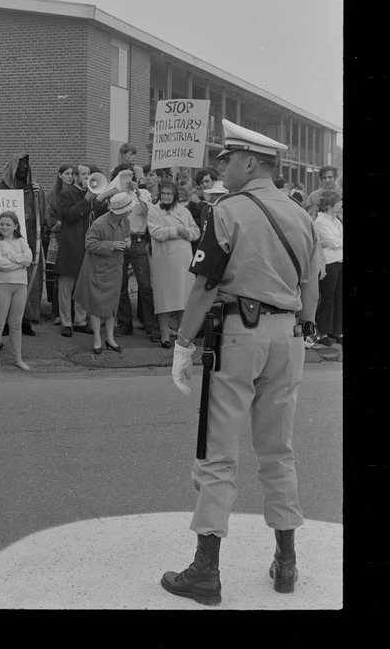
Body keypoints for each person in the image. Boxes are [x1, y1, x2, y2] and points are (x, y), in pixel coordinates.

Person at [162, 119, 320, 606]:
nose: (222, 168)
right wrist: (302, 326)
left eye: (227, 160)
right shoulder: (301, 214)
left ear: (250, 162)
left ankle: (206, 571)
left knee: (218, 452)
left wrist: (184, 343)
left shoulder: (227, 210)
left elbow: (205, 285)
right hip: (289, 337)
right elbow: (309, 291)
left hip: (240, 335)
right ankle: (286, 563)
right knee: (279, 450)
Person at [74, 192, 135, 353]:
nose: (130, 212)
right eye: (128, 209)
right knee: (96, 306)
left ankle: (110, 338)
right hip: (97, 270)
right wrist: (112, 245)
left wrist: (128, 242)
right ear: (119, 211)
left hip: (114, 268)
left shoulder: (125, 221)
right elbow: (89, 244)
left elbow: (127, 237)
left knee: (111, 306)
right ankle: (97, 339)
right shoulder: (99, 223)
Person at [0, 153, 46, 335]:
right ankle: (5, 322)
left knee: (29, 280)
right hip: (6, 242)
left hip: (29, 240)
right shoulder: (2, 187)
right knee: (7, 280)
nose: (23, 169)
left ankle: (25, 320)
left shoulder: (35, 190)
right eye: (20, 166)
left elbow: (43, 216)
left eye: (26, 165)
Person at [147, 180, 201, 347]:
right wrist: (177, 230)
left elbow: (196, 231)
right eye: (163, 194)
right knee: (165, 298)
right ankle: (164, 333)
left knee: (183, 297)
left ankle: (181, 334)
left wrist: (185, 233)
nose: (166, 197)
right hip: (164, 260)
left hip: (184, 260)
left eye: (169, 194)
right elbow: (156, 232)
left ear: (175, 195)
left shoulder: (184, 211)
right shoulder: (154, 211)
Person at [111, 163, 157, 341]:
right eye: (123, 176)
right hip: (121, 240)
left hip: (138, 240)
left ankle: (151, 325)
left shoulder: (143, 193)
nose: (127, 179)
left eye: (130, 175)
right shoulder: (114, 194)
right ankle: (125, 325)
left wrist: (137, 192)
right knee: (121, 286)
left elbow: (150, 212)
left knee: (145, 286)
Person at [53, 163, 97, 337]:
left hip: (87, 244)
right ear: (76, 177)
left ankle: (80, 320)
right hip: (71, 244)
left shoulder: (93, 194)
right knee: (66, 286)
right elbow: (69, 216)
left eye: (89, 173)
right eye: (83, 174)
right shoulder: (67, 193)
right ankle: (66, 322)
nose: (87, 177)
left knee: (83, 284)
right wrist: (86, 200)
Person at [0, 211, 33, 372]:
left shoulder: (21, 240)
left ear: (15, 226)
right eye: (2, 224)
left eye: (8, 224)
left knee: (16, 324)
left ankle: (17, 359)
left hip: (20, 285)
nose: (4, 227)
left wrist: (11, 257)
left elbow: (29, 258)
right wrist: (19, 262)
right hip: (1, 284)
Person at [44, 164, 75, 325]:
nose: (70, 176)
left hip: (73, 240)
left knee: (71, 274)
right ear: (60, 175)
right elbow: (49, 219)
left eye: (72, 174)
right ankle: (56, 311)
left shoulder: (77, 194)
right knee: (57, 275)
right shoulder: (51, 196)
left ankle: (73, 312)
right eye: (67, 173)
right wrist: (70, 224)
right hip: (56, 238)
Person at [313, 190, 343, 346]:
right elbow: (331, 242)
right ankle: (324, 332)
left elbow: (336, 241)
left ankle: (337, 331)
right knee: (328, 298)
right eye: (338, 202)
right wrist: (337, 242)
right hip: (329, 263)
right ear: (329, 205)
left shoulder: (336, 220)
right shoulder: (320, 221)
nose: (341, 204)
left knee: (339, 298)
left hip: (339, 261)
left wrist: (336, 242)